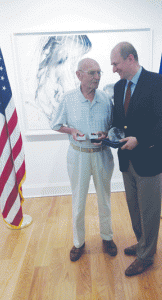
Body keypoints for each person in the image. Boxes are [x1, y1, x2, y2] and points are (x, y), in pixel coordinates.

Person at [110, 42, 162, 276]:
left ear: (130, 59)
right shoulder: (118, 88)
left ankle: (146, 256)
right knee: (134, 208)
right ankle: (143, 242)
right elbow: (119, 121)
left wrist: (140, 139)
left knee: (148, 210)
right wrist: (106, 133)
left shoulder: (157, 82)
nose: (114, 69)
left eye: (115, 64)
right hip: (127, 160)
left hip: (150, 157)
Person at [51, 58, 117, 262]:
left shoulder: (106, 98)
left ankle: (107, 237)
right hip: (78, 155)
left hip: (102, 155)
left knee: (104, 200)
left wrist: (106, 134)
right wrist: (71, 130)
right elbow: (56, 124)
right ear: (79, 75)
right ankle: (78, 242)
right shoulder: (68, 99)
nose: (97, 77)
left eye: (99, 73)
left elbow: (115, 127)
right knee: (78, 201)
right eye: (92, 73)